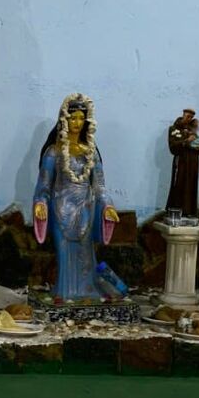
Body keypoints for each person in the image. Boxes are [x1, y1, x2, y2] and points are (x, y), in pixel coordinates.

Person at [33, 93, 119, 302]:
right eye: (73, 118)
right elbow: (44, 185)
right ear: (64, 120)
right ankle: (63, 292)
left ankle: (87, 292)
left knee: (85, 254)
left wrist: (107, 206)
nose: (77, 123)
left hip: (86, 210)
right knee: (64, 252)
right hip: (61, 208)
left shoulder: (91, 152)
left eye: (81, 118)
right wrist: (40, 203)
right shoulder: (54, 152)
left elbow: (99, 185)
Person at [165, 108, 199, 217]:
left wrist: (195, 142)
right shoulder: (173, 129)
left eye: (191, 117)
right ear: (183, 115)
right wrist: (186, 141)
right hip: (181, 161)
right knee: (178, 184)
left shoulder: (193, 131)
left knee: (191, 186)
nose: (189, 118)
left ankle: (188, 211)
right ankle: (175, 210)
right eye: (187, 116)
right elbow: (173, 147)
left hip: (193, 162)